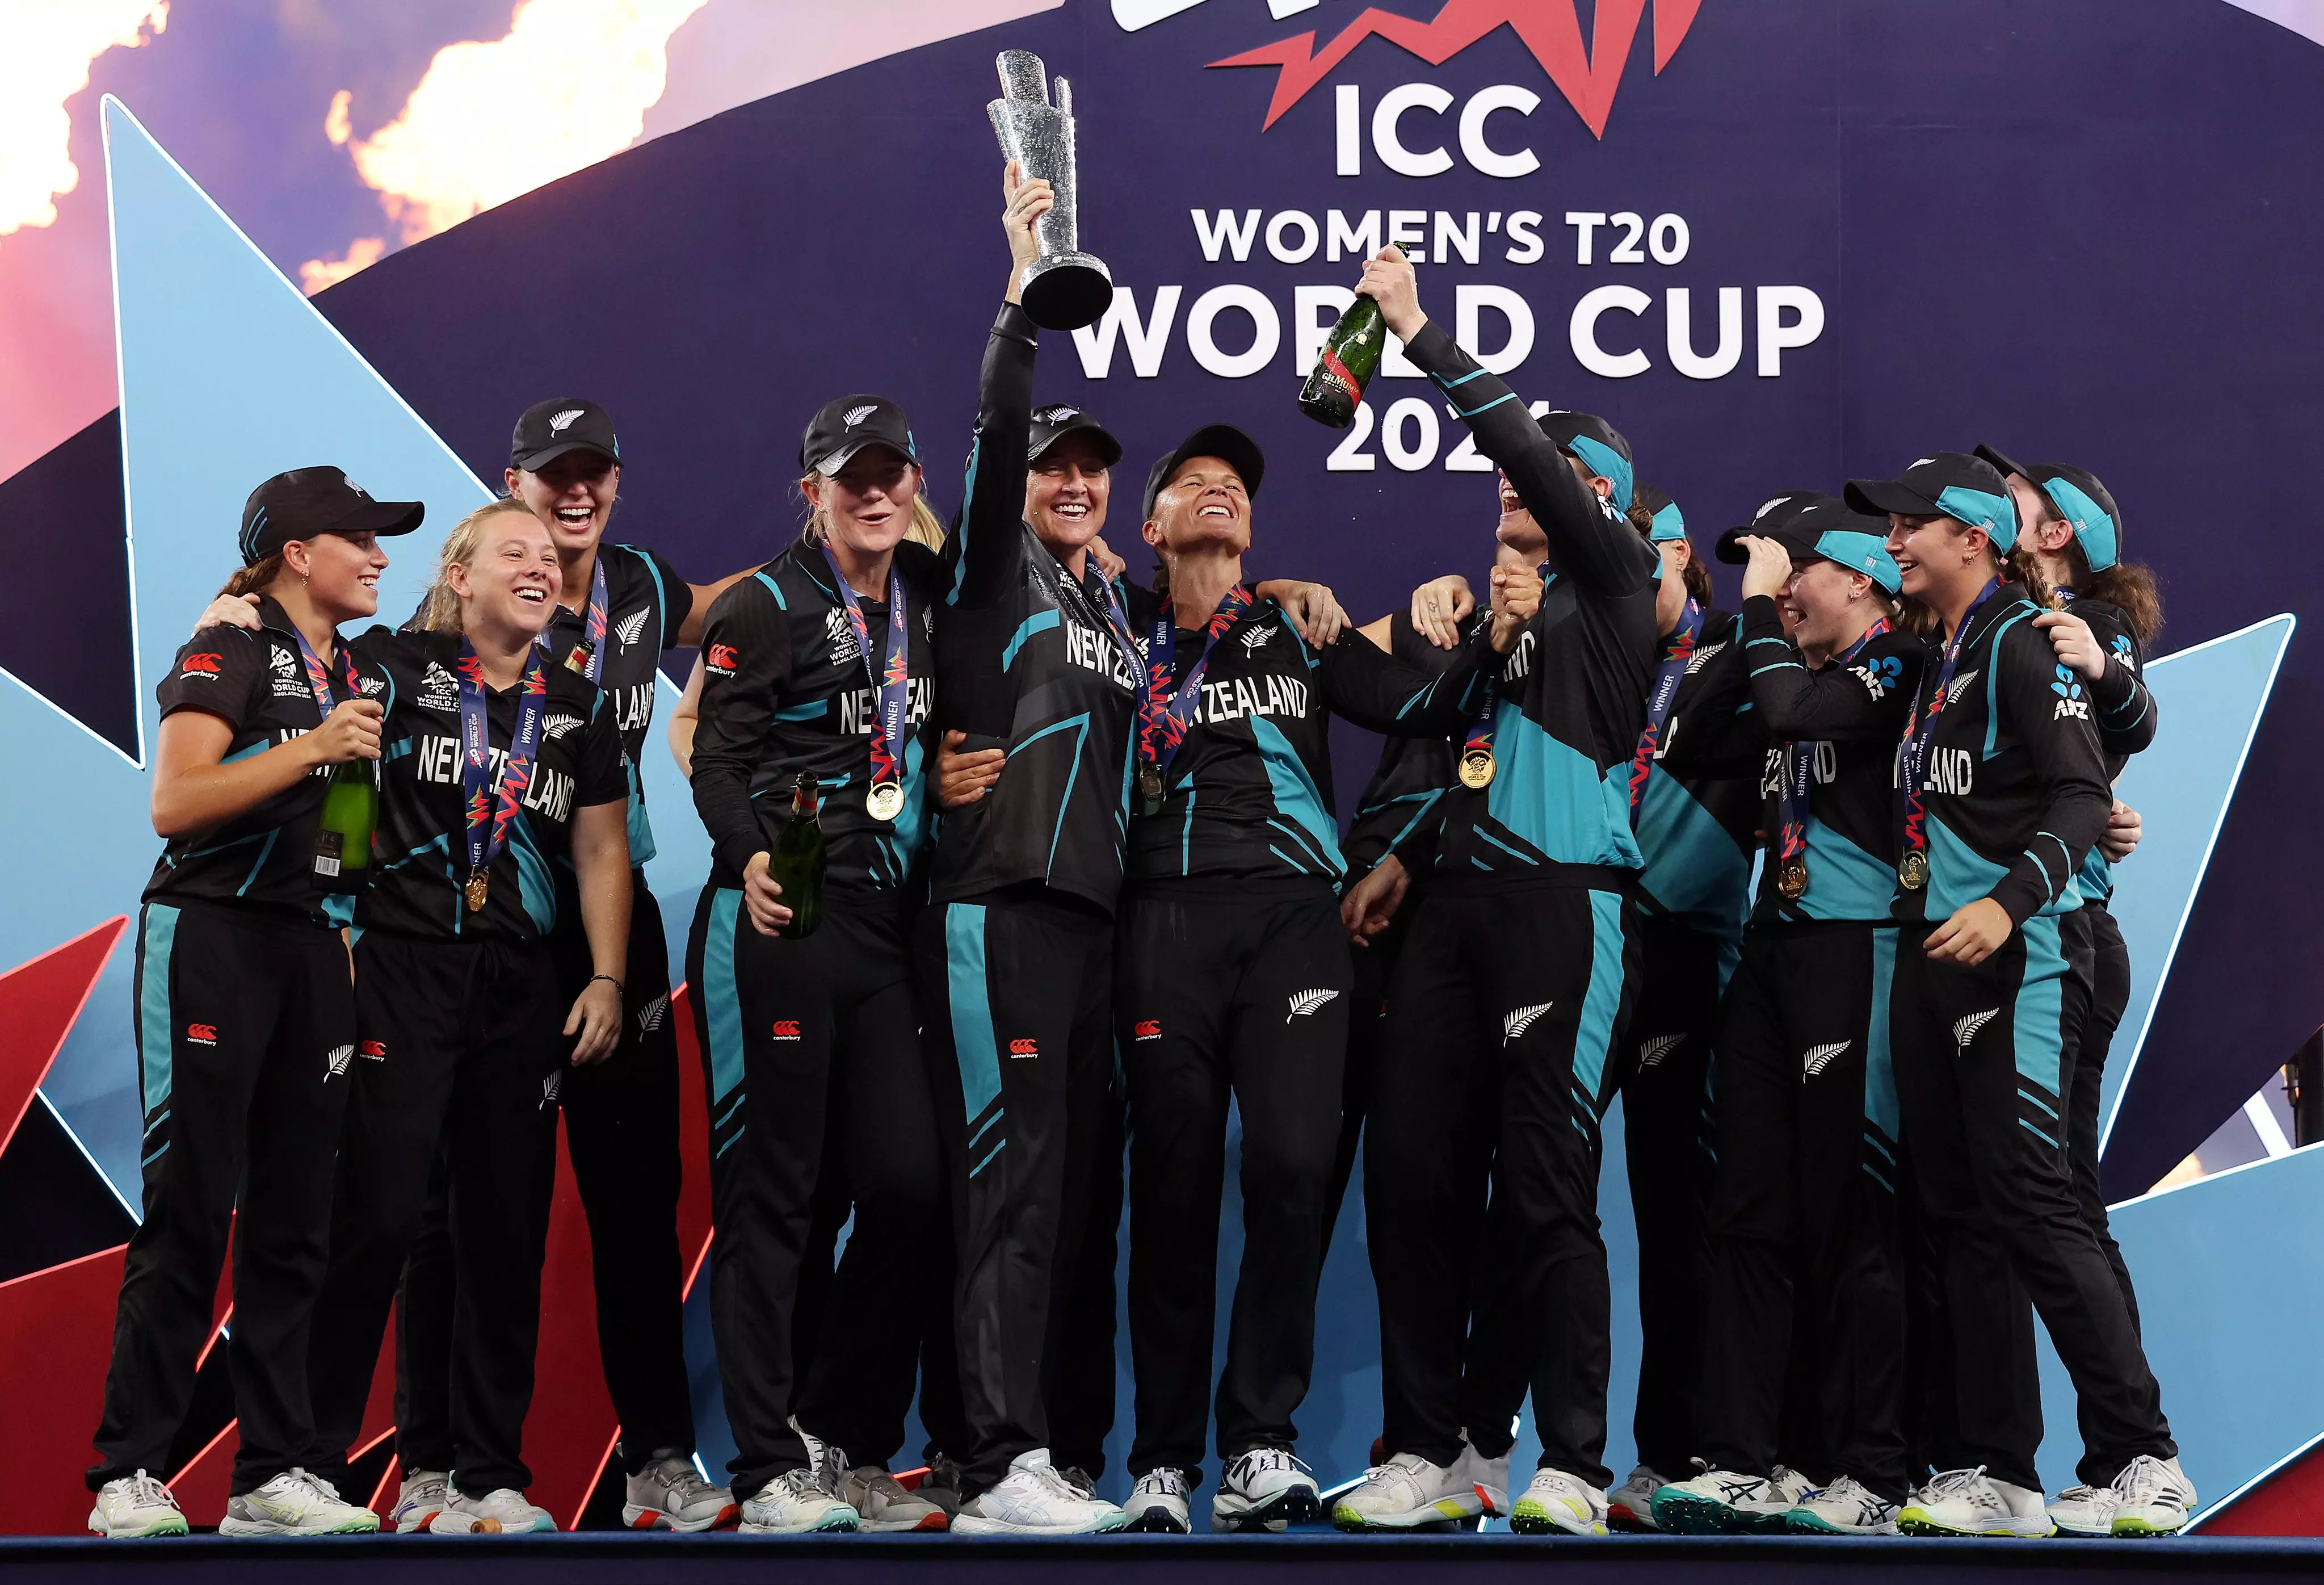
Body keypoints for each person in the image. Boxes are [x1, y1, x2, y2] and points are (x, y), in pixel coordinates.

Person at [916, 163, 1342, 1534]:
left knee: (1078, 1194)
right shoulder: (996, 567)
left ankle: (1061, 1453)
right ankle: (991, 1460)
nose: (1077, 482)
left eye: (1095, 468)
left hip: (1099, 925)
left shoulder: (1127, 613)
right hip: (1009, 900)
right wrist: (1019, 288)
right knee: (1015, 1182)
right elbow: (991, 435)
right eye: (1058, 467)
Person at [1108, 426, 1531, 1535]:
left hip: (1295, 922)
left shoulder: (1295, 626)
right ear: (1148, 530)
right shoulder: (1111, 635)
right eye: (1192, 486)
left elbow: (1421, 706)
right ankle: (1159, 1459)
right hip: (1160, 920)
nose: (1220, 494)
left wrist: (1482, 631)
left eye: (1235, 488)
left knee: (1295, 1168)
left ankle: (1257, 1439)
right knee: (1174, 1188)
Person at [1331, 246, 1660, 1538]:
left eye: (1534, 477)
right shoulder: (1497, 619)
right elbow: (1399, 711)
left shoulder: (1621, 586)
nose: (1502, 488)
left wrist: (1411, 330)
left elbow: (1519, 444)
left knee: (1544, 1186)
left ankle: (1569, 1456)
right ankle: (1433, 1449)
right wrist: (1337, 624)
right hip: (1453, 916)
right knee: (1412, 1176)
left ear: (1591, 499)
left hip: (1564, 909)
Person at [1844, 452, 2187, 1540]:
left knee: (2035, 1203)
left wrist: (2005, 903)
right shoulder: (1943, 654)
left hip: (2022, 953)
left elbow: (2087, 795)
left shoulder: (2022, 641)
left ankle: (2144, 1457)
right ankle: (1996, 1470)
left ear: (1974, 541)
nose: (1891, 544)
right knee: (1958, 1218)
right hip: (1929, 960)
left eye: (1909, 527)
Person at [85, 468, 418, 1540]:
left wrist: (350, 925)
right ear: (295, 554)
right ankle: (128, 1474)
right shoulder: (225, 642)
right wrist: (313, 746)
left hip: (317, 949)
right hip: (213, 940)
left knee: (293, 1226)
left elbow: (343, 830)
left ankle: (272, 1475)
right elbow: (174, 802)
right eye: (358, 539)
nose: (377, 556)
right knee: (191, 1212)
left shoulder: (357, 668)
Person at [300, 498, 635, 1534]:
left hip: (521, 983)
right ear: (459, 573)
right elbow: (344, 799)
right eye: (514, 553)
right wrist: (339, 924)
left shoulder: (573, 703)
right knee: (384, 1219)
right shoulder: (390, 670)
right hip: (399, 966)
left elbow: (599, 851)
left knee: (503, 1230)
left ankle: (486, 1477)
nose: (540, 566)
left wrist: (608, 978)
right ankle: (310, 1468)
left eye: (548, 556)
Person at [682, 389, 952, 1535]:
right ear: (814, 493)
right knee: (776, 1195)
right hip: (788, 905)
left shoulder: (931, 598)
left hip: (889, 925)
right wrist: (748, 858)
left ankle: (836, 1435)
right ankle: (762, 1463)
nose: (876, 490)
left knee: (908, 1186)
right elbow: (713, 757)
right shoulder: (769, 601)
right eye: (853, 477)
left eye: (892, 471)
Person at [1646, 493, 1924, 1536]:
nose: (1773, 589)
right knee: (1747, 1212)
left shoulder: (1894, 664)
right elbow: (1690, 736)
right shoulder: (1778, 671)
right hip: (1770, 952)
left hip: (1860, 953)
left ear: (1858, 577)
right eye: (1762, 573)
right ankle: (1737, 1457)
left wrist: (1753, 614)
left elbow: (1799, 720)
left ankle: (1869, 1468)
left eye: (1788, 569)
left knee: (1855, 1222)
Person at [1975, 445, 2165, 1537]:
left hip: (2061, 941)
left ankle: (2139, 1454)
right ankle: (2102, 1462)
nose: (2001, 499)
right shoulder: (1990, 625)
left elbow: (2129, 717)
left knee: (2050, 1204)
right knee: (2050, 1205)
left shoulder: (2084, 632)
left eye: (2019, 497)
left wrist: (2106, 668)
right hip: (2044, 933)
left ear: (2055, 535)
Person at [1600, 478, 1760, 1531]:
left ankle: (1671, 1453)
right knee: (1536, 1195)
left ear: (1682, 562)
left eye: (1643, 561)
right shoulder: (1592, 656)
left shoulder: (1736, 653)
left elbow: (1896, 670)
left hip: (1685, 958)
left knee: (1676, 1218)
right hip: (1584, 943)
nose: (1627, 581)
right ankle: (1466, 1442)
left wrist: (2089, 784)